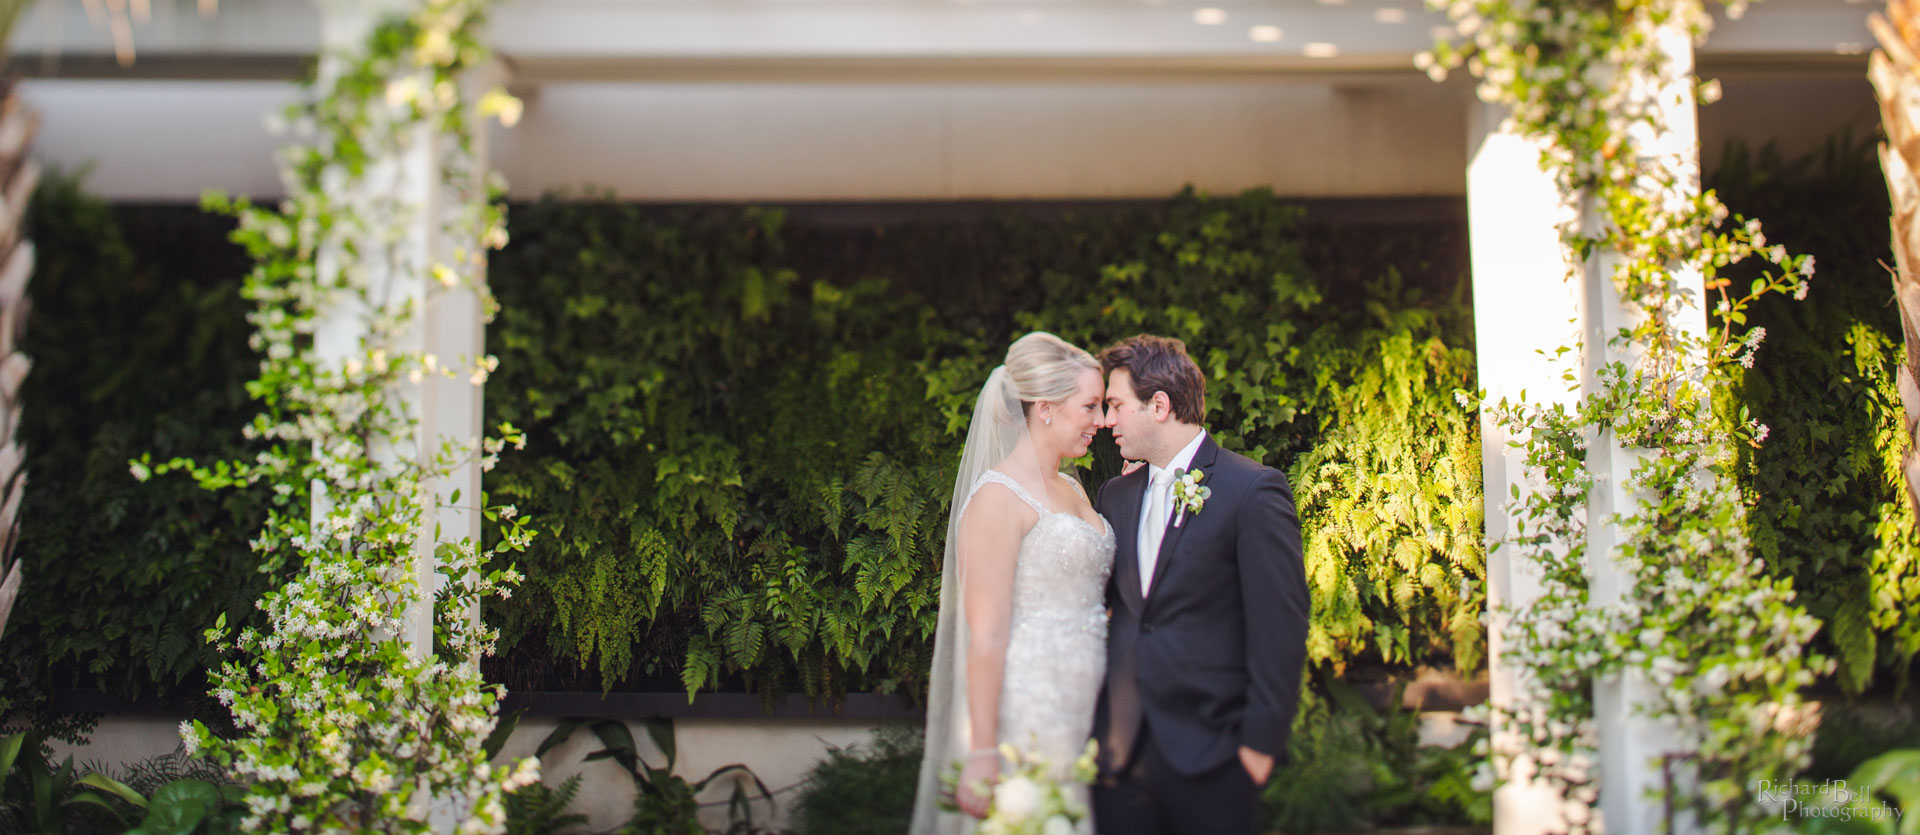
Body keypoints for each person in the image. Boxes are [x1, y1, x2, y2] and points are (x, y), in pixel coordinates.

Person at [1089, 334, 1309, 835]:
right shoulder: (1115, 495)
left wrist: (1257, 748)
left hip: (1214, 758)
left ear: (1159, 405)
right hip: (1121, 759)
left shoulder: (1251, 490)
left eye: (1116, 404)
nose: (1106, 420)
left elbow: (1281, 627)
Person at [911, 332, 1117, 835]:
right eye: (1090, 406)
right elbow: (984, 635)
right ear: (1045, 408)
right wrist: (982, 751)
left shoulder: (1071, 487)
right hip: (1028, 711)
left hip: (1086, 709)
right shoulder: (997, 500)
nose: (1102, 421)